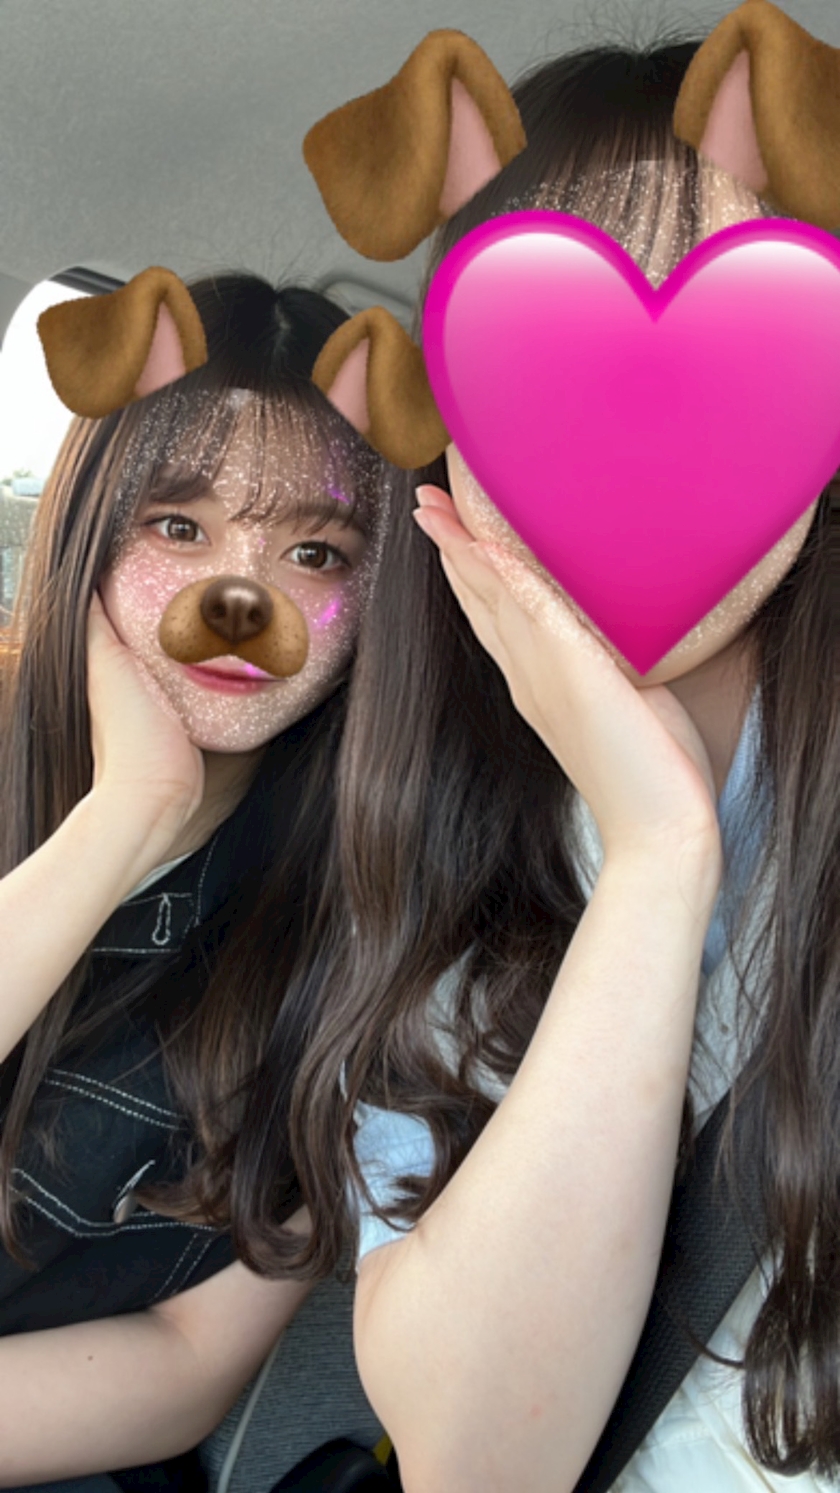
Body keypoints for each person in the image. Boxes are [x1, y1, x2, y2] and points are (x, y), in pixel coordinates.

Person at [287, 31, 840, 1493]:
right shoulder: (433, 858)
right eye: (535, 363)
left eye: (742, 357)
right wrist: (657, 864)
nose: (637, 440)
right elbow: (476, 1462)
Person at [0, 273, 390, 1488]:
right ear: (90, 530)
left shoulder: (366, 931)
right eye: (179, 528)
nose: (241, 599)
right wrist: (124, 814)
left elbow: (189, 1358)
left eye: (315, 551)